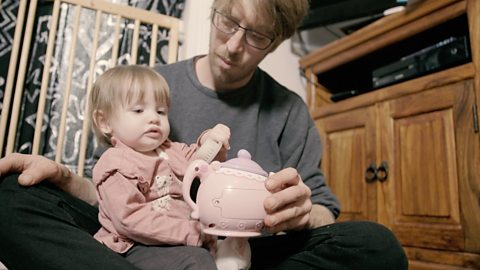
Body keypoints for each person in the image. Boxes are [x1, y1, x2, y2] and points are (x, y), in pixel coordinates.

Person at [0, 0, 409, 269]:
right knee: (9, 198)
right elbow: (116, 198)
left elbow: (324, 210)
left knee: (375, 245)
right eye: (228, 21)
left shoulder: (289, 109)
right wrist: (65, 178)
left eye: (255, 36)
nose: (232, 45)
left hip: (243, 245)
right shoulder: (152, 87)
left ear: (274, 44)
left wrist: (301, 214)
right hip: (144, 238)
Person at [88, 65, 234, 270]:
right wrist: (191, 233)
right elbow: (129, 220)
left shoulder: (170, 149)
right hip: (132, 245)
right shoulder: (115, 164)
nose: (154, 118)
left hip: (175, 241)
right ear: (104, 122)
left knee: (227, 251)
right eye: (138, 110)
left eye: (161, 111)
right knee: (197, 262)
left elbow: (200, 161)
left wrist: (212, 141)